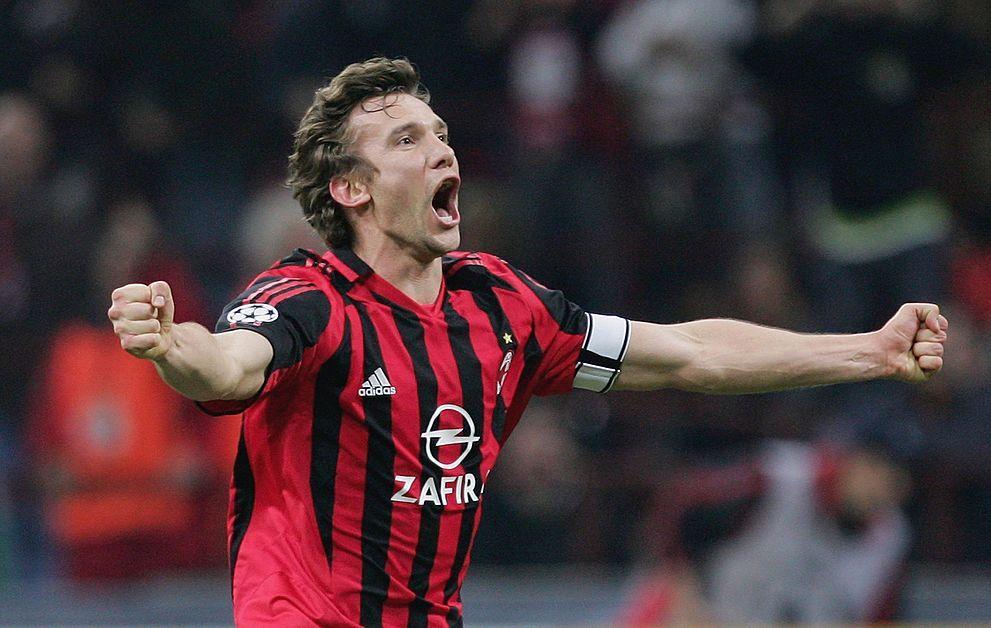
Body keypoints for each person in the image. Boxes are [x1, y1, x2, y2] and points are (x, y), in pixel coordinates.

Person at [106, 57, 947, 626]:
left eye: (438, 132)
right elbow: (227, 363)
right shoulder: (308, 299)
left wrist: (868, 351)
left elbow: (691, 353)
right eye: (407, 140)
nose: (440, 148)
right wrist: (170, 346)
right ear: (350, 188)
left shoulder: (502, 307)